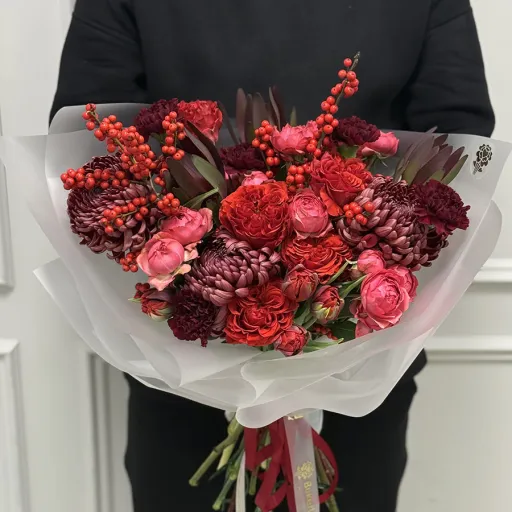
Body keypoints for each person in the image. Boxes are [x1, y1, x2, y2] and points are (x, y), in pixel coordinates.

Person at [51, 0, 494, 510]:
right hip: (180, 368)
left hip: (362, 367)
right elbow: (90, 148)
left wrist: (354, 274)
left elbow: (459, 149)